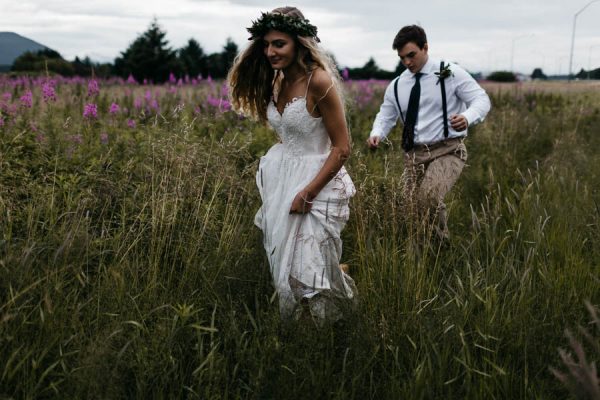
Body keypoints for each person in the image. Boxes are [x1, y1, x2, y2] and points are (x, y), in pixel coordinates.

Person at [228, 7, 357, 322]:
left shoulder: (319, 81)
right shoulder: (276, 82)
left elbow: (342, 148)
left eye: (279, 44)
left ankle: (329, 332)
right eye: (266, 45)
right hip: (284, 178)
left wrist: (308, 193)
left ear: (299, 43)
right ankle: (299, 330)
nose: (270, 52)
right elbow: (290, 133)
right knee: (284, 261)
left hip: (319, 182)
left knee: (311, 266)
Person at [366, 25, 491, 240]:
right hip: (413, 156)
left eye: (411, 55)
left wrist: (467, 117)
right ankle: (425, 253)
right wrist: (377, 132)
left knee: (429, 198)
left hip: (448, 150)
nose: (407, 62)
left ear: (425, 47)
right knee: (411, 209)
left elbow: (481, 99)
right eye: (402, 57)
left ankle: (440, 248)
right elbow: (386, 115)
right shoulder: (397, 85)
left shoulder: (450, 72)